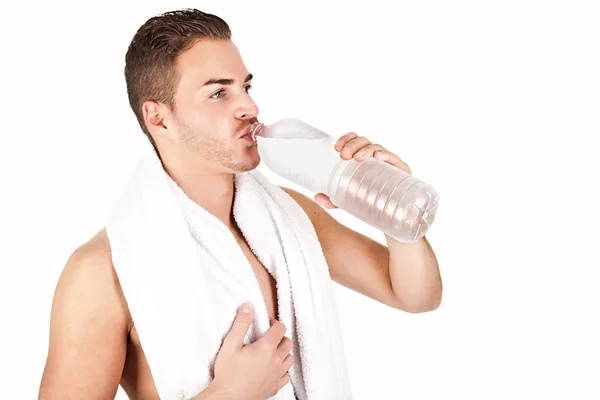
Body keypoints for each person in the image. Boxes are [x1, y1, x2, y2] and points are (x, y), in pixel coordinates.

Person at [38, 8, 442, 400]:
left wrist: (394, 207)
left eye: (245, 86)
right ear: (158, 118)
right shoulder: (100, 272)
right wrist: (228, 394)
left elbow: (415, 296)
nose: (249, 107)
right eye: (218, 92)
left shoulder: (289, 215)